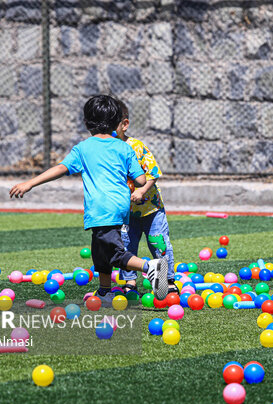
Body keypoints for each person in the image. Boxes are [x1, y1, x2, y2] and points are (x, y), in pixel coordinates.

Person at [9, 95, 168, 302]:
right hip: (120, 208)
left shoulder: (83, 148)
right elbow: (139, 180)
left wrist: (30, 183)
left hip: (101, 208)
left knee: (113, 254)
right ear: (116, 122)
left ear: (86, 123)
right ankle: (104, 291)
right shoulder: (124, 147)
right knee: (99, 250)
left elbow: (61, 168)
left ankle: (150, 266)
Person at [113, 106, 176, 295]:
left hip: (151, 208)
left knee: (158, 241)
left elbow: (153, 172)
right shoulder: (107, 149)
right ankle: (130, 281)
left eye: (111, 124)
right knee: (126, 245)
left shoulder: (136, 146)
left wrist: (142, 190)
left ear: (125, 125)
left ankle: (168, 279)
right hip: (126, 212)